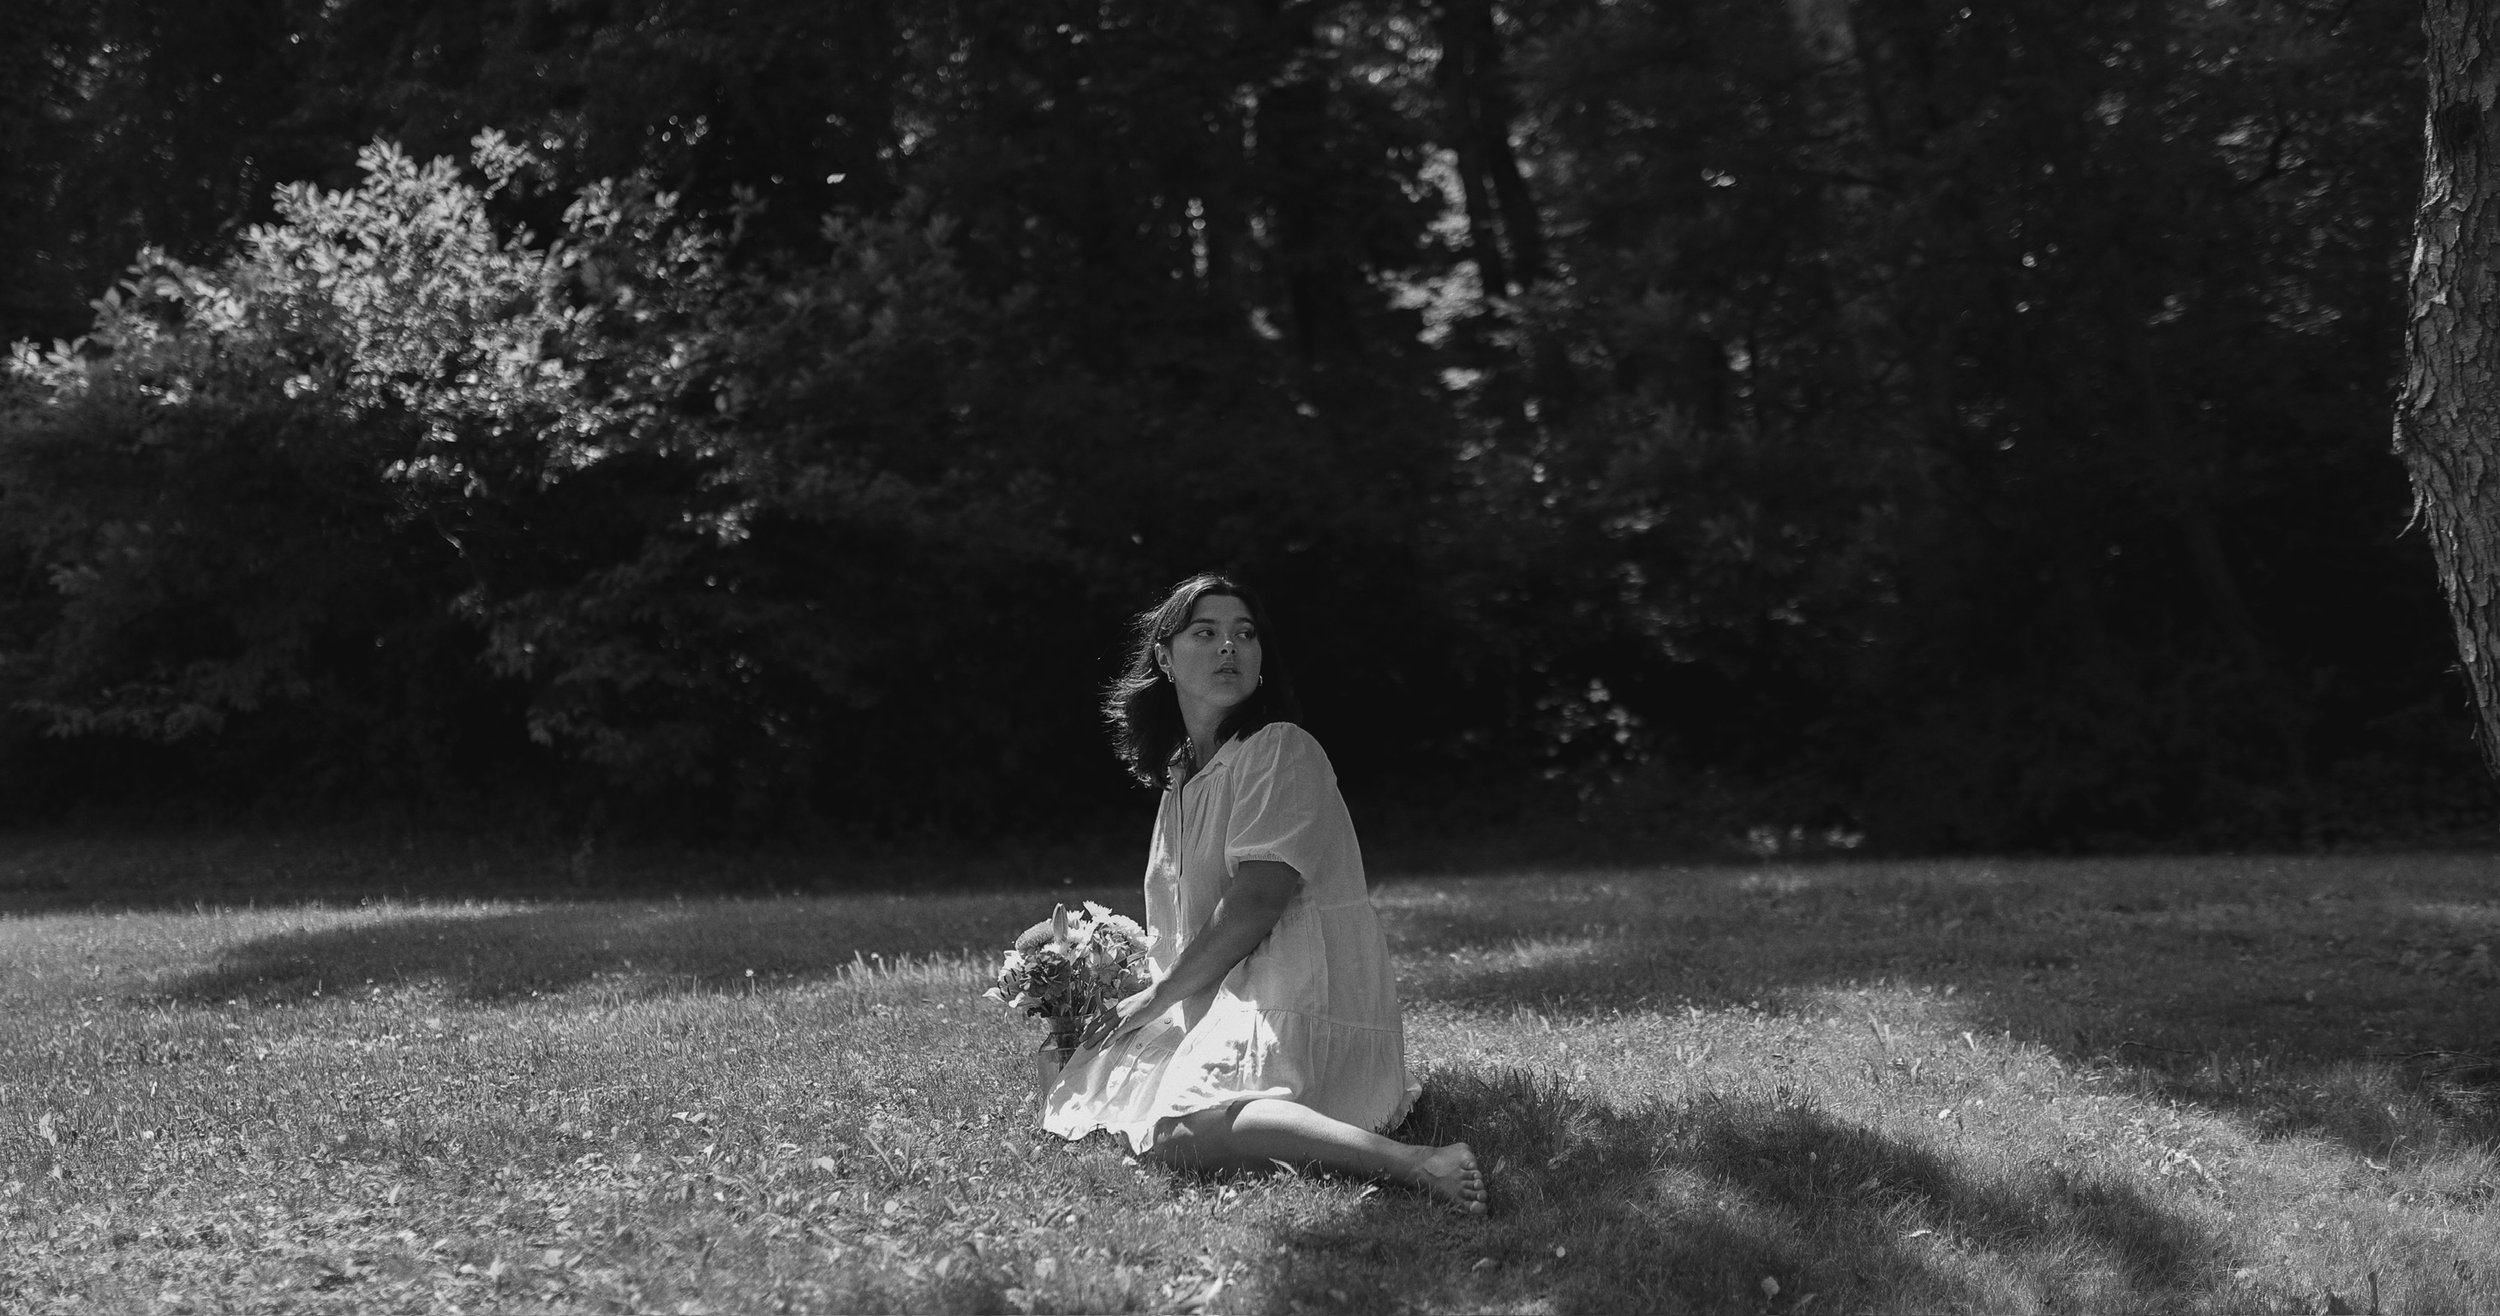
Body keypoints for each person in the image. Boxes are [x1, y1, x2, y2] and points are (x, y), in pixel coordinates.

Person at [1043, 573, 1487, 1214]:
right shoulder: (1181, 776)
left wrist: (1157, 997)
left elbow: (1255, 902)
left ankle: (1417, 1162)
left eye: (1244, 634)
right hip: (1222, 988)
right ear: (1165, 658)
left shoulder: (1279, 748)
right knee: (1107, 1094)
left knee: (1183, 1125)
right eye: (1206, 633)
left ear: (1259, 659)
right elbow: (1186, 918)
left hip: (1296, 984)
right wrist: (1094, 984)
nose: (1230, 646)